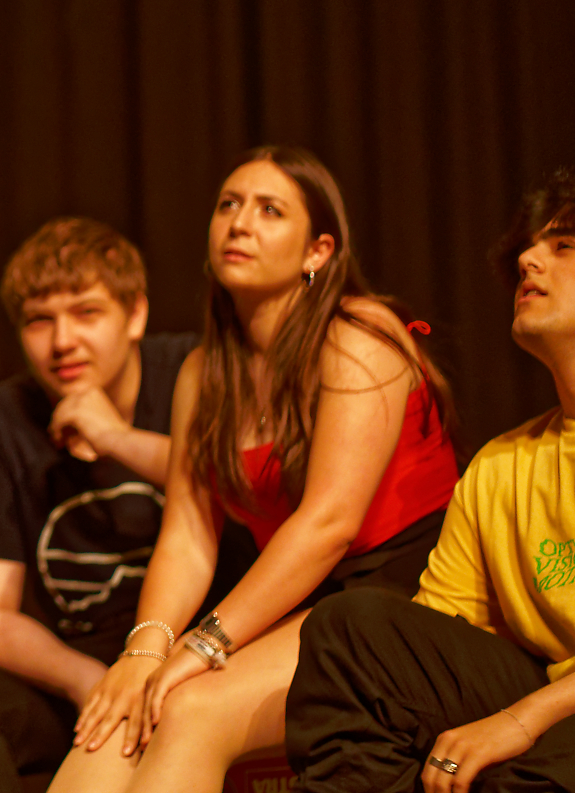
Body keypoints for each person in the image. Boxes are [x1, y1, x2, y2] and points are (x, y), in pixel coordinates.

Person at [52, 147, 458, 793]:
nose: (239, 223)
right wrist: (143, 651)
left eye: (270, 210)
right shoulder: (203, 372)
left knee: (189, 706)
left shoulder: (359, 336)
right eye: (228, 206)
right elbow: (187, 536)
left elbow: (329, 523)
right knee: (125, 709)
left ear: (317, 251)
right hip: (300, 599)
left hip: (405, 594)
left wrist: (202, 644)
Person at [286, 167, 575, 792]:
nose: (527, 259)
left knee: (524, 775)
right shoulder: (500, 465)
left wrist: (522, 720)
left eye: (564, 246)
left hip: (555, 718)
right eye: (531, 245)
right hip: (551, 694)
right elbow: (435, 640)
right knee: (351, 632)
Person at [0, 218, 202, 793]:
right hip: (84, 664)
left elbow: (237, 485)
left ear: (135, 314)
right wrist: (85, 679)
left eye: (87, 313)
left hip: (194, 646)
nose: (62, 342)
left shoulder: (193, 371)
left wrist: (117, 439)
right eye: (40, 321)